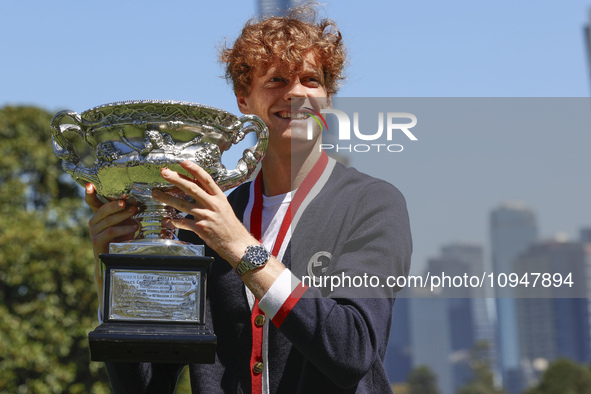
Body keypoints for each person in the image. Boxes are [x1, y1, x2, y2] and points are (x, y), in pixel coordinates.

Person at [85, 5, 412, 393]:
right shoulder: (198, 224)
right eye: (276, 80)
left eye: (311, 80)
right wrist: (119, 277)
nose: (296, 93)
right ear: (243, 98)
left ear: (328, 97)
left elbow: (351, 348)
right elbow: (145, 386)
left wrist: (239, 247)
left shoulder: (372, 204)